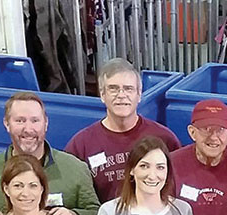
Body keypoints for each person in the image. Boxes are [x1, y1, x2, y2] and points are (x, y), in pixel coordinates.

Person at [0, 91, 100, 215]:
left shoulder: (75, 168)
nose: (28, 129)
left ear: (46, 123)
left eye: (35, 121)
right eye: (20, 121)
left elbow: (96, 214)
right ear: (7, 124)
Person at [65, 58, 180, 202]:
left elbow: (175, 188)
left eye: (128, 89)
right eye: (113, 88)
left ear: (139, 95)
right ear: (102, 94)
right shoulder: (80, 145)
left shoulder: (164, 138)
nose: (121, 95)